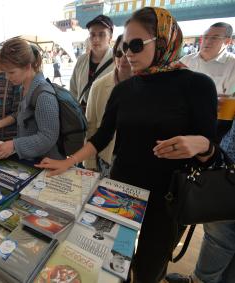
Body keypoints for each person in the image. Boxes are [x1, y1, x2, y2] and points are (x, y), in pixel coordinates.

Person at [36, 7, 219, 283]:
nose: (128, 54)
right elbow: (101, 137)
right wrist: (68, 161)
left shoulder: (197, 85)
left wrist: (201, 144)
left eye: (136, 45)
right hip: (121, 190)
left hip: (167, 198)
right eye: (123, 47)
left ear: (163, 40)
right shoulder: (124, 89)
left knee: (148, 268)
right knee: (111, 262)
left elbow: (212, 150)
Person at [165, 123, 235, 283]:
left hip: (226, 176)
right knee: (217, 236)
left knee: (219, 238)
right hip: (224, 172)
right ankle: (199, 279)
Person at [0, 38, 62, 160]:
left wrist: (14, 145)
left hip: (46, 162)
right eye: (5, 72)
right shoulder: (24, 88)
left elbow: (48, 137)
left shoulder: (43, 95)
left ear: (27, 67)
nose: (7, 77)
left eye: (11, 72)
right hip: (33, 160)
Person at [83, 34, 132, 175]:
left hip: (134, 161)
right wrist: (89, 164)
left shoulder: (147, 86)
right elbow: (90, 125)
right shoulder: (99, 86)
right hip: (106, 159)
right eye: (118, 53)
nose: (123, 58)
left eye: (127, 53)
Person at [70, 15, 114, 104]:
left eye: (102, 34)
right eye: (92, 34)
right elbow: (73, 89)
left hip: (105, 115)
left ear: (110, 37)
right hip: (81, 114)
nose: (96, 39)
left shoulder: (118, 62)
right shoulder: (81, 60)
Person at [181, 22, 235, 96]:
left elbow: (230, 99)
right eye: (205, 37)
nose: (208, 41)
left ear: (227, 41)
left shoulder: (232, 65)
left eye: (214, 38)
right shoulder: (185, 60)